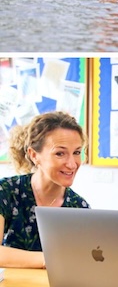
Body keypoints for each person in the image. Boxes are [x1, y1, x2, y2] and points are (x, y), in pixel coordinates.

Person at [0, 112, 89, 268]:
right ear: (34, 155)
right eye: (60, 153)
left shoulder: (79, 207)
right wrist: (49, 259)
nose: (72, 164)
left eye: (76, 152)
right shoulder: (6, 191)